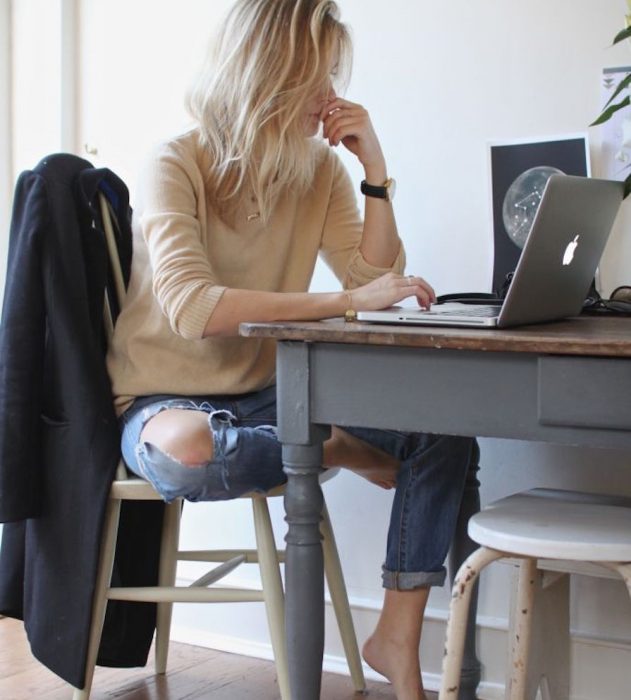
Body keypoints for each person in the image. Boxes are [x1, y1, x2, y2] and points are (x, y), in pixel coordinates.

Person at [107, 1, 480, 698]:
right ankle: (329, 446)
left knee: (444, 431)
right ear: (269, 74)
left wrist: (373, 168)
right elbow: (194, 309)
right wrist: (345, 306)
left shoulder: (317, 171)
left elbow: (373, 281)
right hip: (162, 396)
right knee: (189, 450)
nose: (330, 96)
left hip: (268, 394)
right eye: (319, 75)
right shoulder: (173, 162)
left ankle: (395, 638)